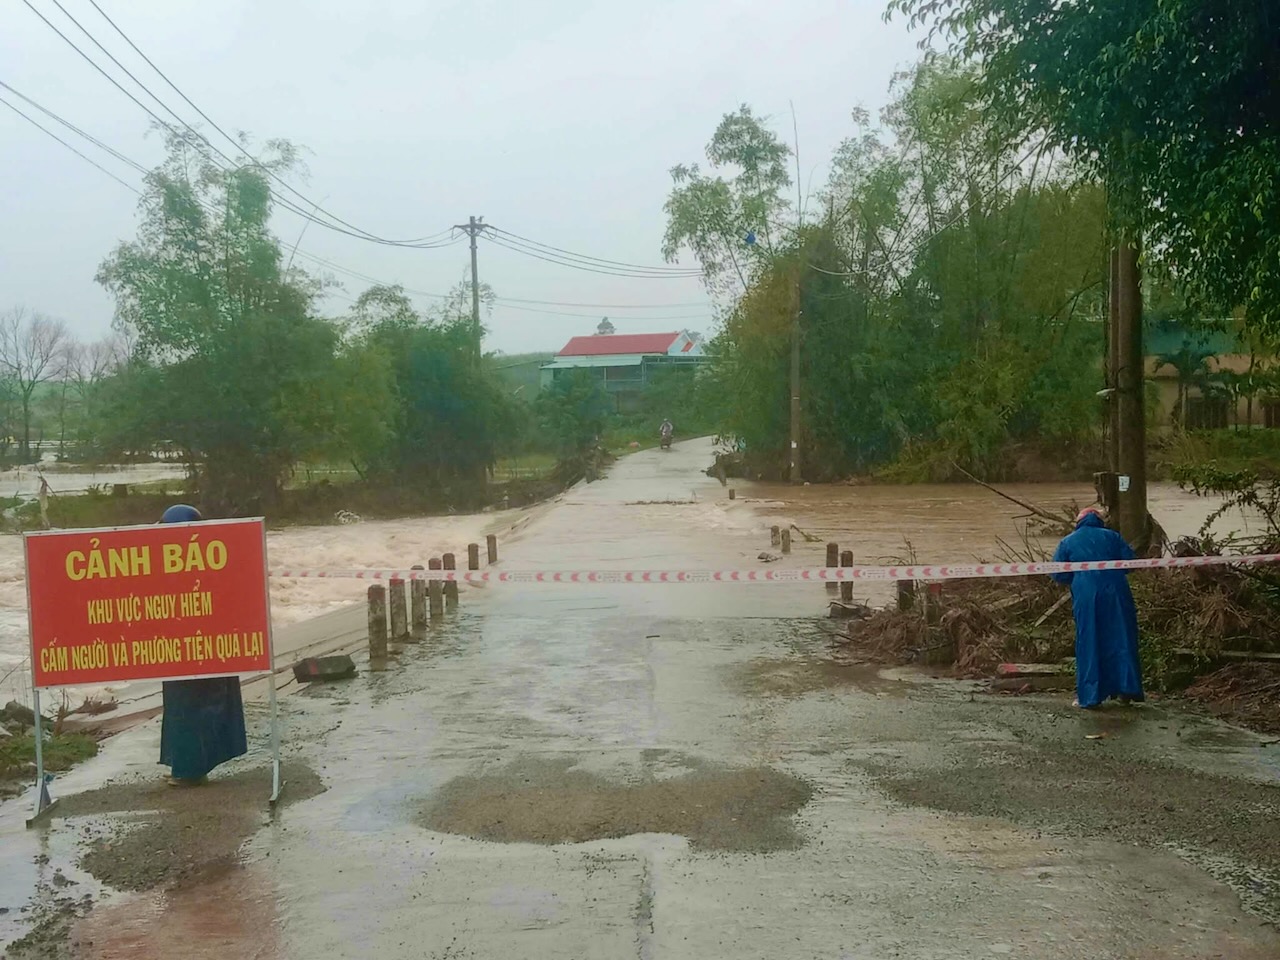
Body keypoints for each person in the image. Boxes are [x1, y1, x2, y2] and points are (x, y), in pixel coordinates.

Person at [157, 504, 247, 785]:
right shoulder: (208, 558)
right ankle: (188, 769)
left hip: (194, 649)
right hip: (199, 648)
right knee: (193, 708)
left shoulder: (167, 562)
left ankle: (188, 772)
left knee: (188, 709)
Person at [1051, 507, 1145, 709]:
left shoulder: (1068, 541)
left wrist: (1079, 578)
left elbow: (1058, 574)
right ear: (1099, 519)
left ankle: (1091, 696)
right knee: (1122, 638)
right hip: (1117, 593)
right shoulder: (1113, 536)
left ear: (1079, 521)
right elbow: (1130, 563)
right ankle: (1127, 690)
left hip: (1086, 595)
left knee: (1089, 641)